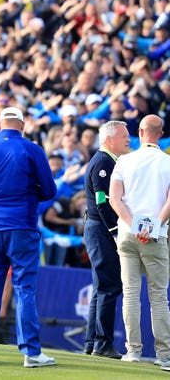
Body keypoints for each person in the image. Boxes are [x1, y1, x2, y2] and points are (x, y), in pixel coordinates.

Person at [0, 106, 57, 368]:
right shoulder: (33, 149)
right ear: (23, 125)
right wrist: (28, 193)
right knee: (24, 288)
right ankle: (31, 352)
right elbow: (49, 191)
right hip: (22, 226)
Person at [109, 114, 170, 369]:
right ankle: (164, 355)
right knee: (158, 296)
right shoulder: (167, 162)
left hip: (127, 233)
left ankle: (133, 350)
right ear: (162, 133)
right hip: (156, 235)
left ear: (140, 131)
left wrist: (135, 226)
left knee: (131, 294)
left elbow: (115, 199)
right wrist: (151, 228)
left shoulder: (125, 160)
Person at [83, 121, 130, 359]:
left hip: (97, 229)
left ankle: (93, 342)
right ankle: (102, 343)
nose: (128, 140)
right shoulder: (103, 162)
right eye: (124, 136)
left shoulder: (108, 161)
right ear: (109, 139)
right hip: (100, 229)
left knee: (102, 287)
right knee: (109, 286)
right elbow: (102, 200)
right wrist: (114, 230)